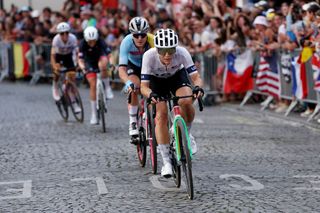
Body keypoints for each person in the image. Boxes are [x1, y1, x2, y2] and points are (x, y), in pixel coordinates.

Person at [140, 29, 204, 178]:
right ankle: (166, 162)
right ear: (157, 49)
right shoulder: (148, 56)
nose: (167, 55)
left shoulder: (182, 53)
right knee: (161, 115)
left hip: (176, 78)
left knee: (186, 101)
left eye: (171, 50)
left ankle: (187, 134)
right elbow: (143, 86)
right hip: (156, 83)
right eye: (163, 51)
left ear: (176, 48)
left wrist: (198, 87)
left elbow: (196, 77)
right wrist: (151, 94)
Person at [118, 17, 154, 143]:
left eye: (143, 35)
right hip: (133, 66)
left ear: (147, 34)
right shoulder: (126, 42)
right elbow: (121, 69)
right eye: (136, 35)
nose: (139, 38)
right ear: (131, 34)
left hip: (149, 67)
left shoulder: (152, 41)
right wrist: (128, 83)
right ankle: (133, 121)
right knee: (134, 87)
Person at [78, 26, 112, 124]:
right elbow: (80, 60)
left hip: (100, 59)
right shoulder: (82, 44)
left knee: (104, 63)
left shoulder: (101, 42)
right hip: (89, 63)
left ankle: (107, 88)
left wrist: (112, 64)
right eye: (90, 42)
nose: (92, 44)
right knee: (93, 85)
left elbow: (109, 55)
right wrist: (83, 68)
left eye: (94, 41)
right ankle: (93, 114)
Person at [51, 22, 81, 113]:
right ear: (59, 34)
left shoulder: (73, 38)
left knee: (71, 78)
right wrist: (54, 66)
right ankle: (55, 86)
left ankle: (73, 102)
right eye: (62, 33)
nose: (65, 35)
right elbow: (52, 56)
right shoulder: (56, 40)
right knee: (57, 72)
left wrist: (78, 63)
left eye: (67, 33)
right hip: (59, 57)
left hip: (68, 57)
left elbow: (77, 53)